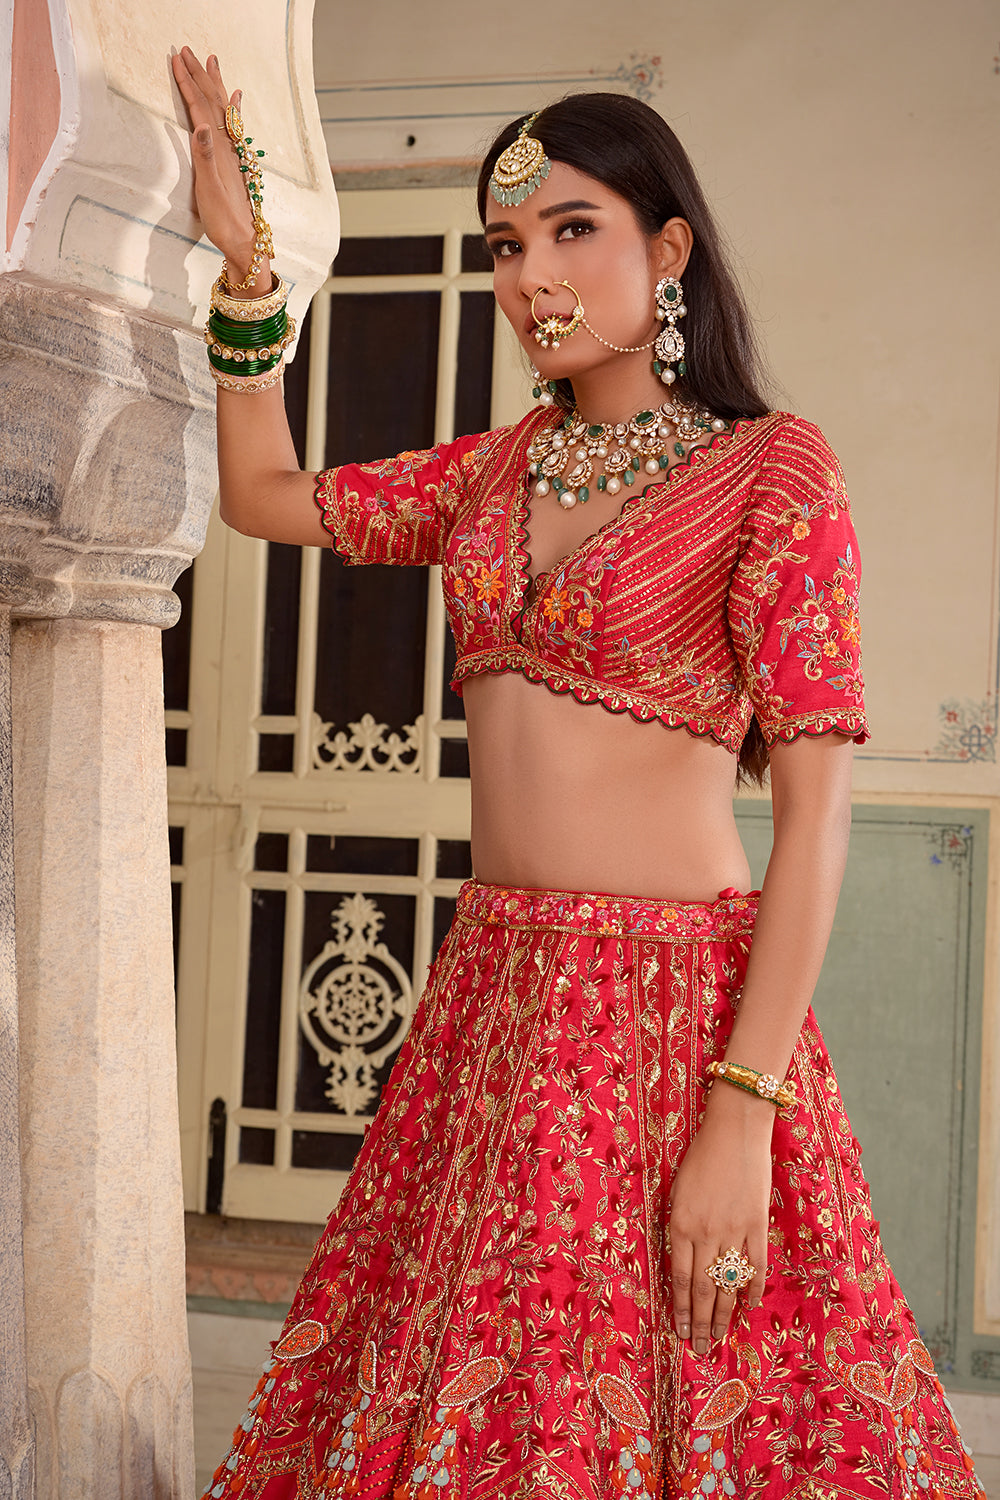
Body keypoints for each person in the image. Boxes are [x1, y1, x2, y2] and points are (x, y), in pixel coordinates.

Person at [171, 48, 986, 1500]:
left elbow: (813, 820)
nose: (530, 273)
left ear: (666, 248)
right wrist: (247, 279)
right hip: (489, 1012)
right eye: (503, 246)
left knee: (701, 1403)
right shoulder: (486, 478)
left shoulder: (772, 473)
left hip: (685, 1022)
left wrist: (746, 1107)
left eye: (571, 229)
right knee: (471, 1409)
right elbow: (259, 496)